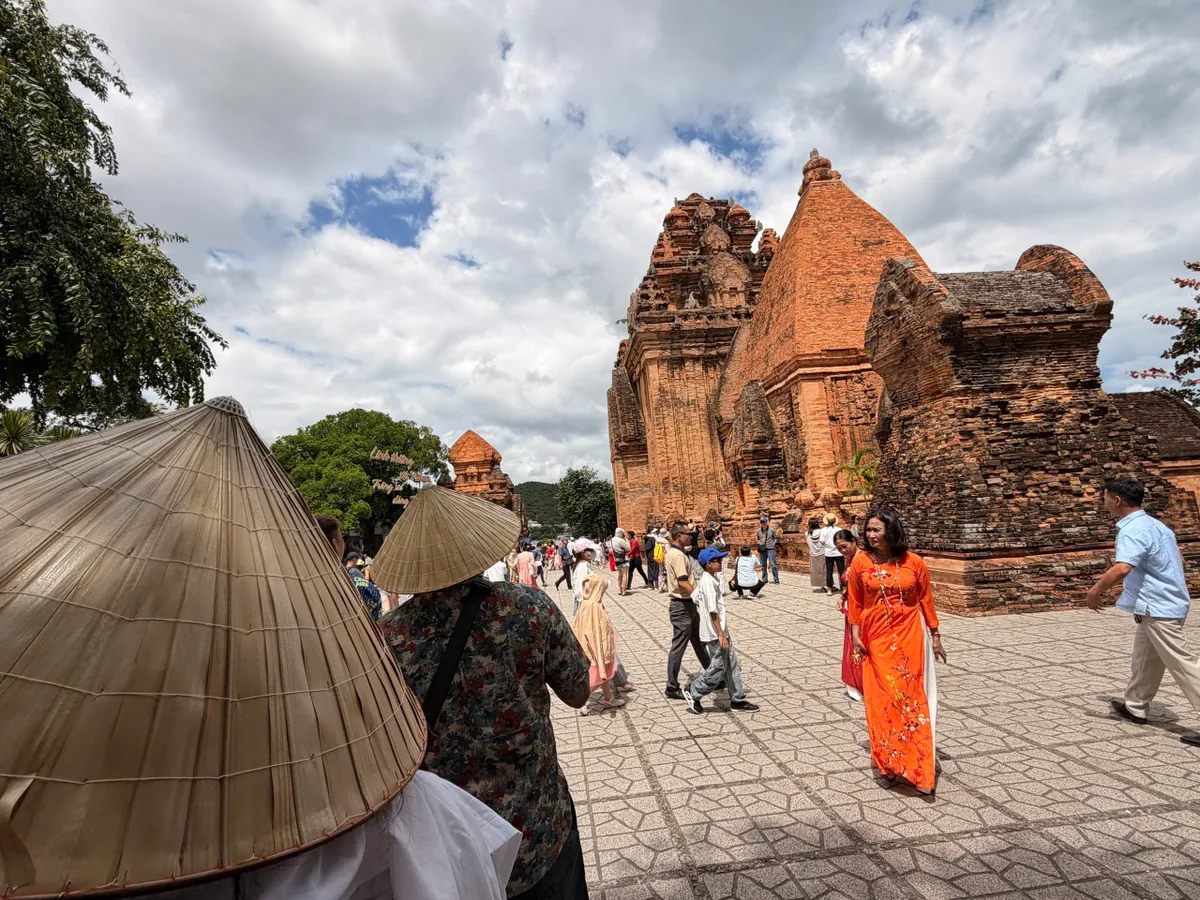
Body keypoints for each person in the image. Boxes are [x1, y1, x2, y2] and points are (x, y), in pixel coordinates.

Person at [375, 486, 593, 899]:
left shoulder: (385, 639)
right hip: (537, 831)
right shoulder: (529, 608)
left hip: (447, 850)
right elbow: (578, 693)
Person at [1086, 478, 1200, 747]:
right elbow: (1178, 560)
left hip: (1158, 606)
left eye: (1105, 497)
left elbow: (1122, 568)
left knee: (1184, 664)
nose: (1104, 502)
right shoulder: (1156, 525)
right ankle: (1136, 706)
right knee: (1145, 658)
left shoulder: (1133, 530)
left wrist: (1095, 591)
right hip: (1162, 603)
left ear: (1117, 501)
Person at [846, 509, 947, 795]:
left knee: (912, 698)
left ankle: (918, 767)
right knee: (885, 699)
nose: (871, 535)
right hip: (875, 636)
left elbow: (926, 598)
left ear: (892, 531)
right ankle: (888, 761)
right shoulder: (861, 562)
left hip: (910, 635)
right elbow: (855, 600)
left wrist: (935, 634)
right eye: (868, 530)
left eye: (877, 530)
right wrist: (855, 635)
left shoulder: (913, 562)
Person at [686, 547, 760, 713]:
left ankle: (738, 700)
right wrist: (721, 634)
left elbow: (695, 597)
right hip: (715, 633)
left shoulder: (708, 580)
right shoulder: (707, 582)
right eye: (717, 561)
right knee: (718, 667)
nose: (721, 562)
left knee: (732, 665)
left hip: (719, 631)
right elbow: (713, 611)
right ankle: (695, 691)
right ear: (708, 564)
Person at [573, 573, 636, 715]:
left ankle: (609, 699)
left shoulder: (585, 603)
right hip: (596, 646)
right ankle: (582, 700)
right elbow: (597, 631)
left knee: (606, 672)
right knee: (600, 673)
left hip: (588, 644)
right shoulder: (595, 607)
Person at [664, 521, 713, 699]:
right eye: (687, 534)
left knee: (699, 642)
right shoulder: (677, 556)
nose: (690, 536)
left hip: (687, 604)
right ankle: (671, 686)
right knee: (679, 646)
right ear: (679, 536)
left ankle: (713, 675)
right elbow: (683, 581)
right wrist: (700, 596)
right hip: (681, 605)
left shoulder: (678, 553)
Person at [834, 529, 864, 702]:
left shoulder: (864, 559)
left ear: (853, 541)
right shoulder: (850, 560)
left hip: (864, 610)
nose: (843, 551)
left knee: (861, 644)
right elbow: (849, 585)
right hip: (851, 608)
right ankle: (854, 681)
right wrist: (843, 597)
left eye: (844, 546)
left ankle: (864, 681)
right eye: (839, 549)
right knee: (852, 645)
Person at [344, 549, 383, 622]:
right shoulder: (354, 571)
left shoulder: (345, 570)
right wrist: (367, 572)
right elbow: (365, 582)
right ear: (354, 559)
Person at [571, 539, 597, 616]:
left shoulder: (584, 565)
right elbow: (579, 589)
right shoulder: (582, 567)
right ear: (583, 553)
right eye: (590, 550)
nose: (593, 552)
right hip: (584, 605)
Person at [821, 513, 845, 594]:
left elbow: (822, 542)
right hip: (839, 552)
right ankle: (844, 588)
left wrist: (827, 544)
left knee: (829, 571)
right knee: (841, 571)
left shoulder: (823, 530)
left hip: (828, 553)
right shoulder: (838, 529)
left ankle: (829, 589)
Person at [756, 515, 780, 585]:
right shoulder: (759, 531)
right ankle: (764, 580)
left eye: (764, 522)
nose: (763, 523)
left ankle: (776, 579)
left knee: (773, 565)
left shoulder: (771, 530)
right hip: (762, 549)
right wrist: (758, 542)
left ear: (766, 522)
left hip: (770, 548)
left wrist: (773, 544)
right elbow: (757, 538)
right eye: (761, 522)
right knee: (763, 565)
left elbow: (775, 537)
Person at [806, 517, 826, 593]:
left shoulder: (807, 533)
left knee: (815, 571)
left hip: (813, 554)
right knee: (824, 570)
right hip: (822, 553)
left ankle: (820, 585)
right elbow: (823, 542)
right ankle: (825, 584)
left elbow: (808, 543)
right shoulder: (822, 532)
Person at [611, 527, 631, 595]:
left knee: (620, 575)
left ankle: (620, 590)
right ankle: (624, 590)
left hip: (616, 559)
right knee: (625, 574)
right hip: (623, 558)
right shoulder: (620, 540)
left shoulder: (612, 539)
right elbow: (628, 548)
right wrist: (626, 540)